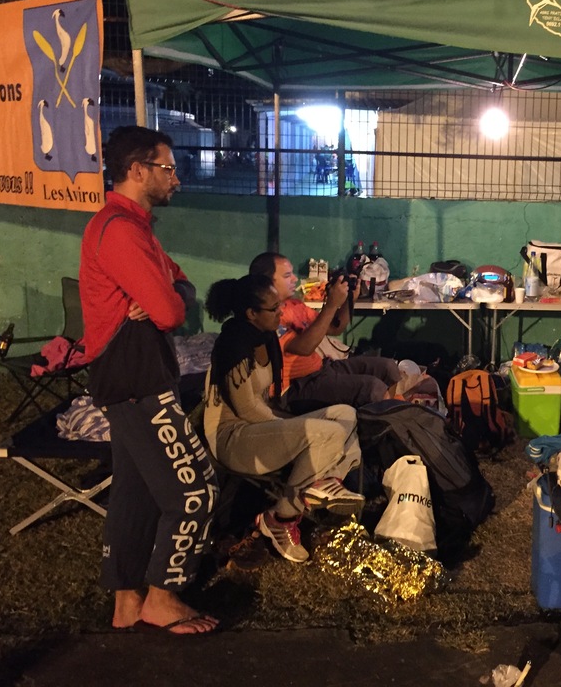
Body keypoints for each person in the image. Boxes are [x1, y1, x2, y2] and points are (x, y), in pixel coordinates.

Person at [79, 126, 219, 635]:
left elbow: (179, 283)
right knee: (196, 490)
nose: (176, 178)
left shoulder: (133, 227)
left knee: (134, 490)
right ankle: (163, 595)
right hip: (136, 378)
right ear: (138, 171)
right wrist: (167, 298)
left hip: (131, 376)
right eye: (168, 168)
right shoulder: (119, 230)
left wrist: (169, 292)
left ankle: (126, 601)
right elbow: (170, 311)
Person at [202, 274, 364, 563]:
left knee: (345, 415)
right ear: (252, 313)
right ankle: (284, 517)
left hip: (259, 426)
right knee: (328, 433)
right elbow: (247, 409)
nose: (281, 312)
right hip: (233, 438)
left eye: (280, 305)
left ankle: (324, 482)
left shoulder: (265, 337)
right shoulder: (234, 346)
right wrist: (292, 427)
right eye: (274, 308)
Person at [248, 252, 401, 413]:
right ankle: (390, 420)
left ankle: (395, 414)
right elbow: (304, 348)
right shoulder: (269, 316)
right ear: (266, 281)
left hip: (320, 370)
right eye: (287, 275)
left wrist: (350, 300)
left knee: (388, 367)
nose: (294, 279)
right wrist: (331, 305)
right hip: (295, 387)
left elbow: (334, 328)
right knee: (372, 388)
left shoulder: (294, 305)